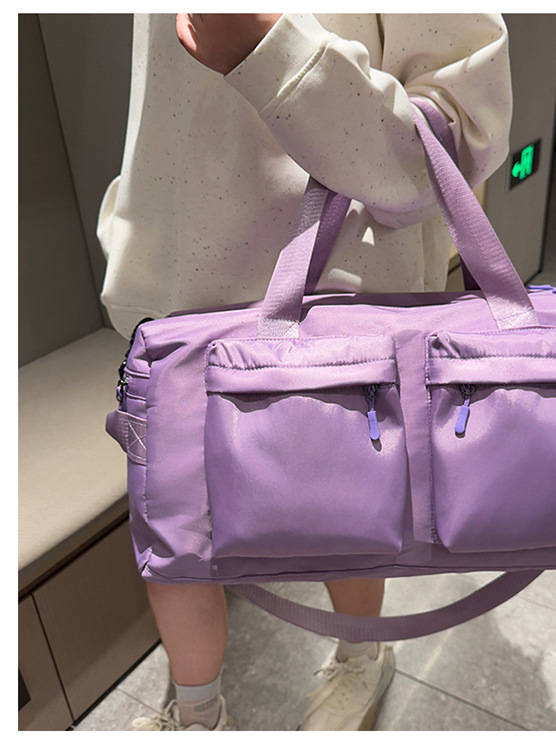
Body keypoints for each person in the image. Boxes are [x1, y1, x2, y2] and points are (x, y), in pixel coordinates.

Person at [98, 12, 513, 731]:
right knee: (174, 537)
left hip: (341, 307)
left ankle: (361, 656)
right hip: (169, 298)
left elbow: (451, 146)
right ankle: (195, 714)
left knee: (348, 522)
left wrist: (273, 53)